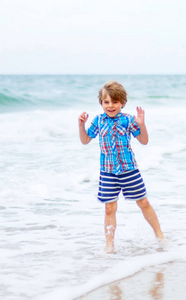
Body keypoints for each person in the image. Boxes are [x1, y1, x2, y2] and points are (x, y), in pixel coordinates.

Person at [78, 81, 165, 253]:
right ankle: (109, 245)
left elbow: (144, 141)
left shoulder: (128, 120)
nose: (110, 106)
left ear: (122, 103)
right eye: (106, 102)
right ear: (101, 103)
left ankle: (160, 236)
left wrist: (141, 123)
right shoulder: (98, 120)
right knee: (109, 208)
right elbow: (85, 140)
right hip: (108, 171)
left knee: (144, 202)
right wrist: (81, 125)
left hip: (129, 169)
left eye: (115, 102)